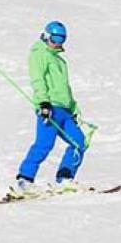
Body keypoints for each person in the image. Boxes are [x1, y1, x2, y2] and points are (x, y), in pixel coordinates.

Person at [12, 21, 87, 197]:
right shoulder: (39, 54)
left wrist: (73, 108)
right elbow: (37, 79)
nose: (59, 42)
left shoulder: (60, 60)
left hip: (65, 110)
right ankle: (25, 179)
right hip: (50, 107)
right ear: (46, 36)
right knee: (44, 144)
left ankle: (65, 178)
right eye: (55, 37)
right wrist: (43, 103)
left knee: (79, 142)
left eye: (63, 38)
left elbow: (65, 88)